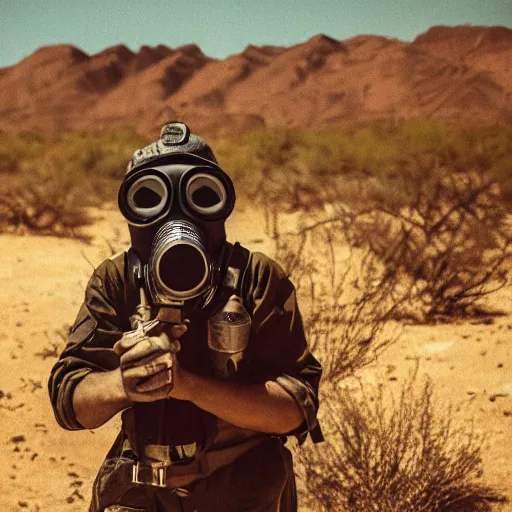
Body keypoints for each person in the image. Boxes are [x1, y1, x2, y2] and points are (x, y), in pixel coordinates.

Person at [48, 121, 323, 512]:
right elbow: (69, 401)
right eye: (151, 199)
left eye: (198, 197)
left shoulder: (256, 279)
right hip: (140, 486)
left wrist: (188, 386)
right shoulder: (117, 281)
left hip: (243, 488)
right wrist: (124, 384)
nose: (174, 220)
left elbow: (296, 409)